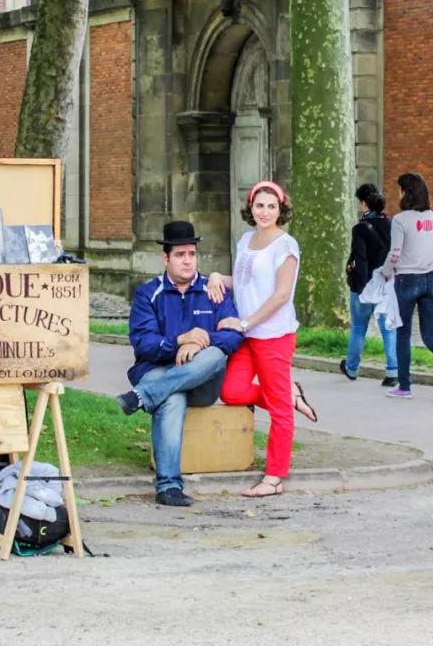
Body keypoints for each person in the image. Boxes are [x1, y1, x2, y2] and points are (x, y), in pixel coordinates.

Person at [116, 221, 244, 507]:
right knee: (172, 397)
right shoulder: (147, 294)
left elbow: (233, 336)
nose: (187, 261)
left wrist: (201, 340)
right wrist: (179, 341)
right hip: (158, 372)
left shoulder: (214, 291)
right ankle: (168, 487)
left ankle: (143, 396)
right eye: (180, 255)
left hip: (202, 382)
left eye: (191, 254)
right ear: (166, 258)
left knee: (215, 354)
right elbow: (144, 344)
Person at [208, 181, 317, 498]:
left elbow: (281, 294)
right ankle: (288, 395)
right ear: (251, 207)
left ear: (281, 209)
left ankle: (274, 477)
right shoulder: (245, 240)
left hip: (272, 335)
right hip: (248, 335)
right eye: (260, 205)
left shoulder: (286, 246)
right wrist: (216, 277)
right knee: (232, 391)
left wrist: (246, 322)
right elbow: (241, 284)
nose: (265, 211)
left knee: (279, 412)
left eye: (272, 206)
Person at [380, 173, 433, 402]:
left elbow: (395, 253)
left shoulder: (400, 220)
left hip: (406, 281)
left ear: (406, 193)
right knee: (430, 335)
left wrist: (384, 272)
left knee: (402, 334)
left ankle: (405, 386)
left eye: (400, 190)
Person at [340, 183, 398, 386]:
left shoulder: (360, 229)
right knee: (388, 329)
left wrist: (360, 287)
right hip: (387, 283)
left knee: (358, 328)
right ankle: (392, 372)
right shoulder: (392, 227)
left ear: (364, 204)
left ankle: (352, 368)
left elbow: (360, 259)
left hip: (365, 285)